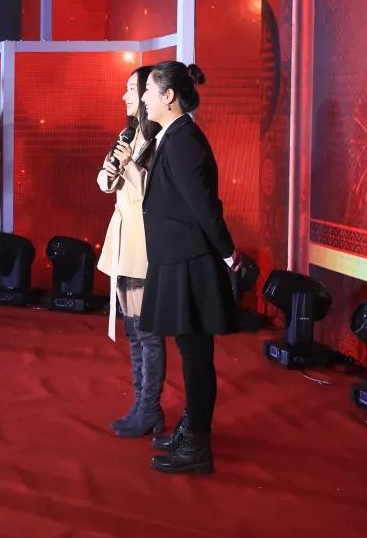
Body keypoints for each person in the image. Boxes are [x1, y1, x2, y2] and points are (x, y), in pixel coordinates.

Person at [139, 61, 240, 474]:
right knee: (191, 352)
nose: (143, 98)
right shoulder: (173, 136)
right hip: (176, 260)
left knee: (196, 356)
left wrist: (228, 253)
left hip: (189, 263)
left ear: (169, 96)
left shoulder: (183, 140)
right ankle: (191, 429)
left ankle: (197, 444)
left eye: (149, 90)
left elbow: (203, 206)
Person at [96, 67, 164, 438]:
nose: (125, 96)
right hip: (123, 245)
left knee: (147, 333)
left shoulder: (159, 139)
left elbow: (148, 194)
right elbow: (105, 183)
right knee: (133, 332)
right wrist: (114, 166)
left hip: (144, 248)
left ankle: (149, 408)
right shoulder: (129, 135)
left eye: (131, 89)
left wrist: (130, 166)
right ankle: (141, 404)